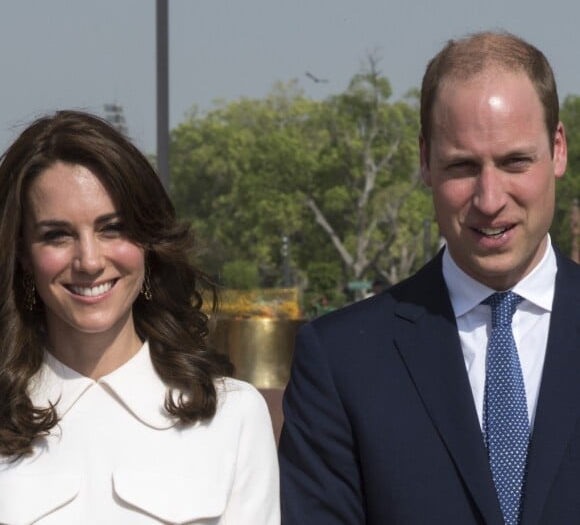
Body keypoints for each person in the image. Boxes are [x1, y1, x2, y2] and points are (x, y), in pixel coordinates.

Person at [279, 31, 580, 524]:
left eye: (514, 162)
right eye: (462, 166)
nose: (489, 198)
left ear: (558, 149)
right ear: (425, 161)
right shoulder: (340, 363)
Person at [0, 110, 280, 524]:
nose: (90, 261)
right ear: (23, 254)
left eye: (112, 228)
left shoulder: (233, 416)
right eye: (57, 235)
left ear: (150, 241)